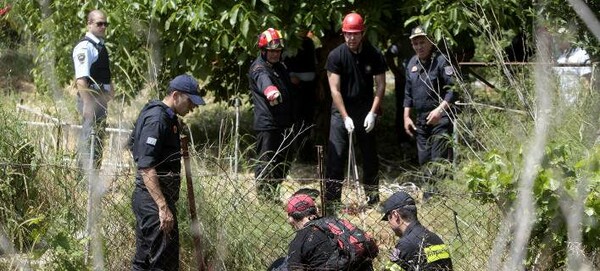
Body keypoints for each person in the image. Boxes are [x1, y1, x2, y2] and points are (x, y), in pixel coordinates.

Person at [128, 74, 205, 270]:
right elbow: (146, 165)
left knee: (144, 262)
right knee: (164, 262)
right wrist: (162, 207)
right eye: (190, 101)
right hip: (153, 200)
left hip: (152, 197)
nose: (193, 107)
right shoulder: (157, 119)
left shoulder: (165, 117)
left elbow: (133, 145)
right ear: (176, 95)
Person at [325, 12, 387, 209]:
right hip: (341, 110)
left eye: (355, 34)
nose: (351, 38)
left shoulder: (374, 54)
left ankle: (372, 198)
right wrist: (345, 117)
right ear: (343, 34)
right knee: (336, 156)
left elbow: (380, 85)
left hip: (365, 109)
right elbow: (334, 89)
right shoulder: (336, 55)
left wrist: (373, 112)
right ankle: (332, 201)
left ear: (363, 33)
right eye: (347, 34)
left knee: (370, 155)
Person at [248, 28, 296, 202]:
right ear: (263, 51)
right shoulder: (259, 68)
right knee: (266, 161)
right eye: (272, 51)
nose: (275, 54)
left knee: (283, 161)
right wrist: (271, 91)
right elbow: (264, 81)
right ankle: (264, 198)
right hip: (268, 125)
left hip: (284, 122)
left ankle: (273, 192)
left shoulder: (279, 66)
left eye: (278, 51)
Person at [403, 26, 455, 167]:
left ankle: (440, 190)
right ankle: (428, 190)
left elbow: (453, 90)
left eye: (422, 42)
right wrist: (406, 116)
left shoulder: (441, 61)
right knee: (424, 163)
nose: (419, 47)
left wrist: (440, 110)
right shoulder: (412, 64)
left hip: (440, 120)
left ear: (431, 41)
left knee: (439, 164)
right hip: (421, 122)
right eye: (415, 43)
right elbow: (408, 93)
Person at [285, 194, 374, 270]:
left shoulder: (298, 242)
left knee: (281, 264)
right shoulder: (337, 223)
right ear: (316, 209)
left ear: (290, 219)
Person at [72, 9, 114, 170]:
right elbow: (81, 80)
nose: (103, 27)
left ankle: (92, 179)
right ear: (89, 24)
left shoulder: (99, 46)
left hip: (100, 98)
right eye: (99, 23)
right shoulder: (85, 47)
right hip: (91, 97)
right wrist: (88, 103)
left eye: (105, 24)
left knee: (97, 140)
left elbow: (104, 72)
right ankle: (84, 181)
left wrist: (111, 90)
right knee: (90, 138)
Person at [381, 191, 453, 270]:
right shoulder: (436, 239)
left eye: (388, 219)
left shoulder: (405, 244)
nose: (389, 224)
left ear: (395, 215)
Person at [283, 30, 318, 162]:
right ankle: (291, 154)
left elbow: (313, 65)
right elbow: (282, 64)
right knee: (293, 121)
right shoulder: (288, 42)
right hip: (293, 89)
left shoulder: (308, 43)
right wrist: (290, 77)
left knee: (306, 122)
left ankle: (305, 154)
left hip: (308, 88)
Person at [554, 27, 592, 104]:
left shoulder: (581, 53)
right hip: (563, 103)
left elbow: (586, 81)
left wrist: (582, 103)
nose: (557, 41)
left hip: (577, 102)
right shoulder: (561, 57)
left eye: (560, 38)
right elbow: (557, 82)